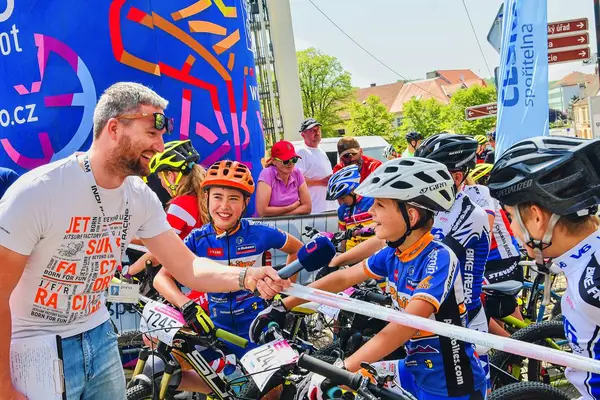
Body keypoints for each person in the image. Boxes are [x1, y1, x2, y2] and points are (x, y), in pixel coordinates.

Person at [0, 82, 289, 400]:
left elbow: (188, 267)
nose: (160, 144)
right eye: (152, 132)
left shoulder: (139, 197)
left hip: (100, 335)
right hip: (37, 345)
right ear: (114, 128)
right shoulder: (38, 191)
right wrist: (2, 386)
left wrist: (247, 276)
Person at [250, 157, 487, 400]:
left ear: (411, 216)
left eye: (380, 205)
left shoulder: (439, 258)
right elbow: (343, 279)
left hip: (450, 385)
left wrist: (344, 369)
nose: (371, 211)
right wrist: (284, 304)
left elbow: (405, 326)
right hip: (414, 369)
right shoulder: (394, 253)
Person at [153, 159, 303, 392]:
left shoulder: (259, 232)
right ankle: (226, 390)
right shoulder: (198, 239)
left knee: (271, 392)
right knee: (162, 371)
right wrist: (185, 305)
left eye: (233, 198)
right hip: (214, 329)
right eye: (217, 197)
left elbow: (297, 249)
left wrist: (283, 289)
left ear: (244, 204)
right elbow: (161, 278)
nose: (224, 205)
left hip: (256, 327)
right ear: (207, 199)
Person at [487, 136, 600, 399]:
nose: (511, 228)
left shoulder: (592, 282)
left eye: (512, 217)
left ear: (537, 218)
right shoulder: (584, 263)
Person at [415, 133, 491, 389]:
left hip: (466, 321)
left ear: (456, 177)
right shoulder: (432, 209)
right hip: (436, 318)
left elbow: (432, 257)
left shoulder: (472, 213)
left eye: (430, 174)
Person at [128, 139, 210, 309]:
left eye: (160, 178)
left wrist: (128, 272)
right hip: (209, 279)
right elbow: (156, 238)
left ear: (171, 175)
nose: (162, 184)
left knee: (153, 335)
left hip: (196, 285)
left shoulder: (180, 205)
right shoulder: (204, 198)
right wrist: (128, 238)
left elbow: (159, 252)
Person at [326, 165, 376, 252]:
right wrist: (343, 255)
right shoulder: (342, 210)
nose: (340, 202)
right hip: (352, 252)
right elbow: (343, 237)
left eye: (342, 197)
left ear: (353, 190)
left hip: (372, 250)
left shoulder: (372, 201)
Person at [256, 140, 312, 217]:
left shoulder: (297, 173)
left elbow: (307, 207)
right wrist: (291, 207)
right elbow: (262, 211)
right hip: (268, 226)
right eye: (286, 161)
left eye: (294, 159)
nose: (290, 163)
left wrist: (284, 215)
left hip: (292, 225)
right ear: (274, 161)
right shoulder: (267, 174)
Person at [294, 118, 337, 213]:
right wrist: (321, 182)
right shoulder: (301, 151)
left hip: (330, 206)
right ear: (303, 135)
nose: (316, 132)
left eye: (318, 129)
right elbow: (296, 180)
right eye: (312, 130)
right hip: (315, 209)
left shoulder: (321, 150)